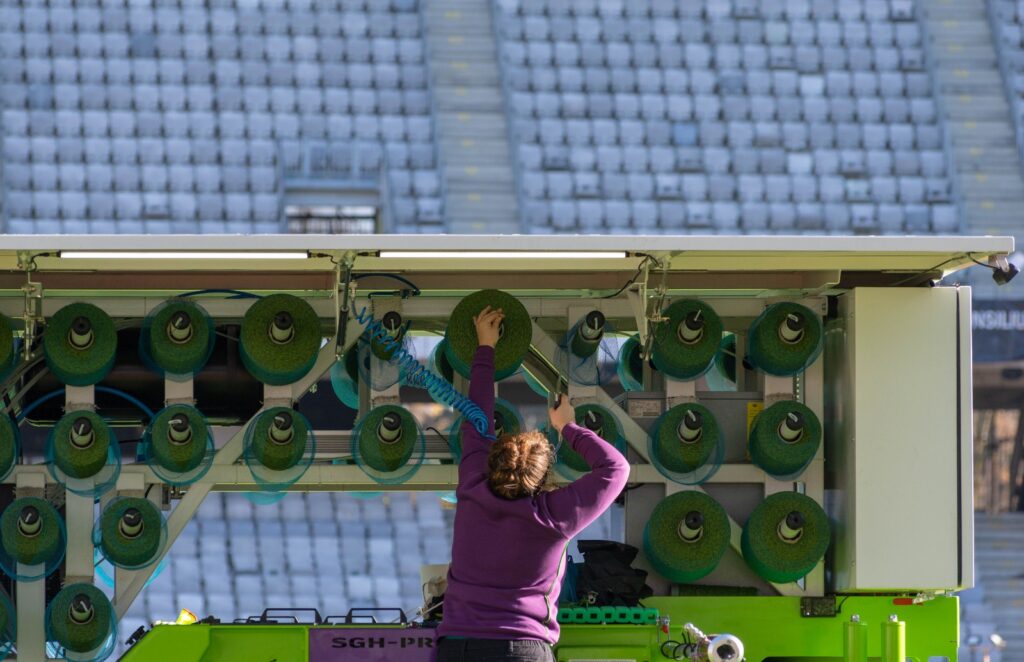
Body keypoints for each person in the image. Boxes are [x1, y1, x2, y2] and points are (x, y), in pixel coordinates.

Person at [436, 306, 631, 662]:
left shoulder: (472, 486)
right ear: (543, 477)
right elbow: (615, 468)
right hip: (521, 649)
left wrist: (485, 348)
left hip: (457, 647)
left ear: (494, 460)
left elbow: (476, 420)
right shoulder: (554, 515)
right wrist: (568, 428)